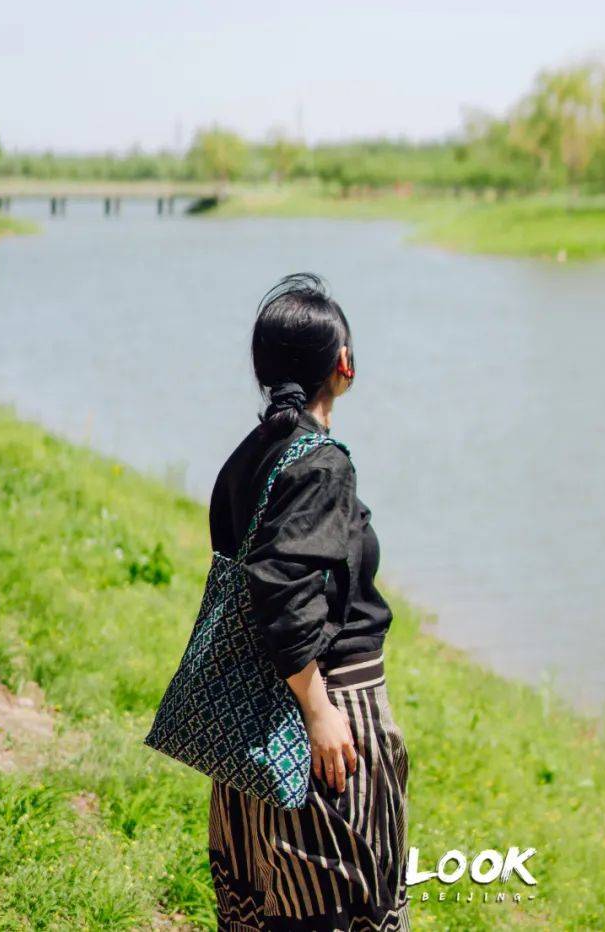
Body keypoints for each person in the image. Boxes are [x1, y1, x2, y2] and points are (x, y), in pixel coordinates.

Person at [207, 272, 409, 932]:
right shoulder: (320, 462)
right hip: (321, 723)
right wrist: (320, 712)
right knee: (333, 909)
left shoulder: (253, 453)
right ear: (342, 364)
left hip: (253, 730)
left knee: (262, 907)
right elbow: (282, 587)